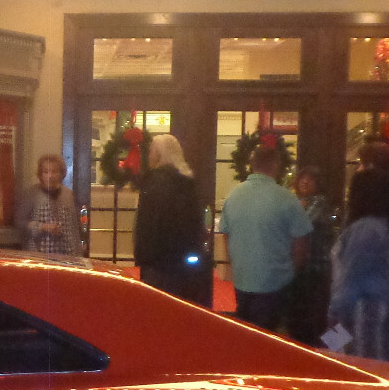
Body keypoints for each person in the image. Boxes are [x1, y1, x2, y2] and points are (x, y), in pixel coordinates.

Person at [218, 145, 313, 331]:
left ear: (252, 165)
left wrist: (235, 265)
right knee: (270, 334)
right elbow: (301, 241)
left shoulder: (233, 196)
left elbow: (226, 235)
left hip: (243, 278)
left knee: (246, 330)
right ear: (276, 166)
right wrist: (292, 270)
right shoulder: (286, 198)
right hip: (276, 281)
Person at [327, 169, 389, 361]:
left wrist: (334, 311)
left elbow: (351, 276)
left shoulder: (365, 228)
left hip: (364, 309)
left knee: (364, 364)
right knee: (388, 361)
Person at [133, 134, 204, 303]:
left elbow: (148, 225)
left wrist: (142, 255)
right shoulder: (187, 182)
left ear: (160, 154)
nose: (148, 155)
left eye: (152, 151)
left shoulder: (155, 182)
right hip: (182, 263)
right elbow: (193, 223)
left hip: (157, 263)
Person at [286, 165, 336, 345]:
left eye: (310, 179)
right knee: (301, 316)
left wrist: (294, 209)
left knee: (318, 315)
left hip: (316, 268)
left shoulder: (319, 201)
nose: (305, 182)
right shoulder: (296, 201)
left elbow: (302, 224)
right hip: (300, 267)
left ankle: (329, 353)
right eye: (302, 179)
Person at [19, 154, 82, 255]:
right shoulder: (32, 194)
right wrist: (42, 227)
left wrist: (78, 250)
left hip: (66, 254)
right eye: (46, 172)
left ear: (62, 174)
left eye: (54, 172)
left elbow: (74, 226)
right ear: (40, 174)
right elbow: (20, 222)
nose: (50, 176)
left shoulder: (68, 194)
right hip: (38, 254)